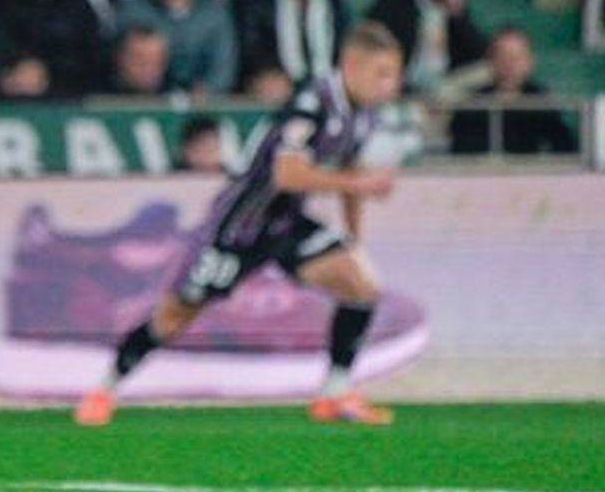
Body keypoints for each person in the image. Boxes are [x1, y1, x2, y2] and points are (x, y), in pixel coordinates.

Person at [74, 22, 407, 427]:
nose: (390, 85)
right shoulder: (311, 102)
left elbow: (351, 170)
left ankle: (335, 394)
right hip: (240, 225)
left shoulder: (365, 115)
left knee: (361, 286)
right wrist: (360, 183)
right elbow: (288, 174)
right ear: (351, 65)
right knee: (177, 314)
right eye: (382, 73)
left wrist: (355, 238)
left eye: (394, 75)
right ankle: (104, 389)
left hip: (286, 223)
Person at [364, 0, 489, 99]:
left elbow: (477, 52)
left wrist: (459, 16)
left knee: (487, 71)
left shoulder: (453, 5)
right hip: (403, 83)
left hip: (443, 83)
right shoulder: (392, 3)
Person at [114, 0, 237, 96]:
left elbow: (223, 64)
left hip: (202, 99)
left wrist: (207, 90)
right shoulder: (132, 12)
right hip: (144, 96)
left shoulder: (215, 13)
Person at [449, 27, 580, 155]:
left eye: (516, 57)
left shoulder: (542, 103)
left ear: (529, 61)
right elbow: (461, 152)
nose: (510, 63)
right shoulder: (473, 104)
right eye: (503, 56)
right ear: (491, 60)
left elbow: (564, 148)